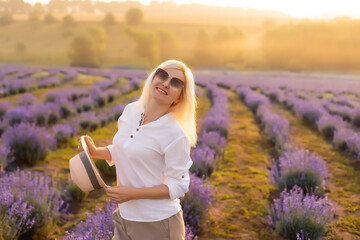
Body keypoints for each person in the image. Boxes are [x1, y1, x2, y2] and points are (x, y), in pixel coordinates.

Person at [79, 59, 197, 240]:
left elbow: (179, 185)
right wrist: (95, 152)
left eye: (175, 83)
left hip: (157, 223)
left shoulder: (175, 133)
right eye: (162, 75)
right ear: (153, 77)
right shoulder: (132, 111)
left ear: (180, 96)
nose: (165, 83)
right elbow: (126, 149)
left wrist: (133, 193)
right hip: (124, 216)